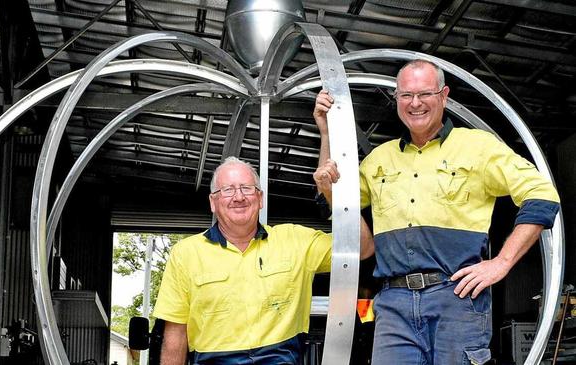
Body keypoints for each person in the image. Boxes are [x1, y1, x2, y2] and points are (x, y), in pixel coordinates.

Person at [312, 59, 561, 365]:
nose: (414, 103)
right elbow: (338, 199)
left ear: (444, 96)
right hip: (393, 305)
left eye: (425, 94)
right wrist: (326, 134)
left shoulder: (479, 147)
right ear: (397, 99)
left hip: (456, 298)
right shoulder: (379, 159)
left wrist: (502, 262)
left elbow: (542, 194)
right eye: (405, 95)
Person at [152, 156, 373, 365]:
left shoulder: (296, 241)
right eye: (227, 190)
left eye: (247, 188)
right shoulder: (185, 254)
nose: (238, 197)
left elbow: (362, 248)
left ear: (260, 198)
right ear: (213, 201)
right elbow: (176, 335)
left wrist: (332, 195)